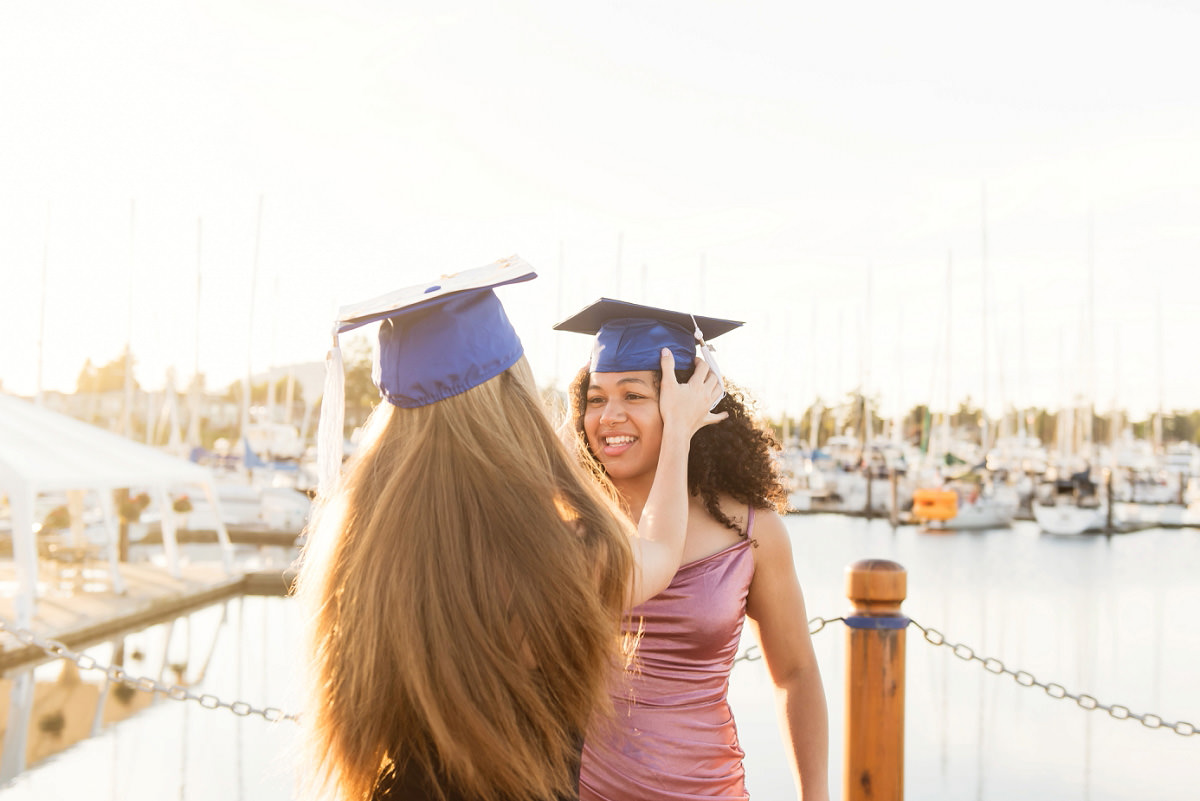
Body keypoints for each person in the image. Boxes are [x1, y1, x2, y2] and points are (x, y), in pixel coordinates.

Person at [291, 258, 727, 801]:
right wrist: (678, 430)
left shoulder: (356, 542)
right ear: (513, 405)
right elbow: (659, 552)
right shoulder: (553, 556)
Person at [555, 298, 830, 801]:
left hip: (709, 791)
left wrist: (815, 795)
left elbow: (795, 673)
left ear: (687, 404)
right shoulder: (563, 520)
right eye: (595, 399)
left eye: (633, 395)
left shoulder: (752, 530)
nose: (609, 416)